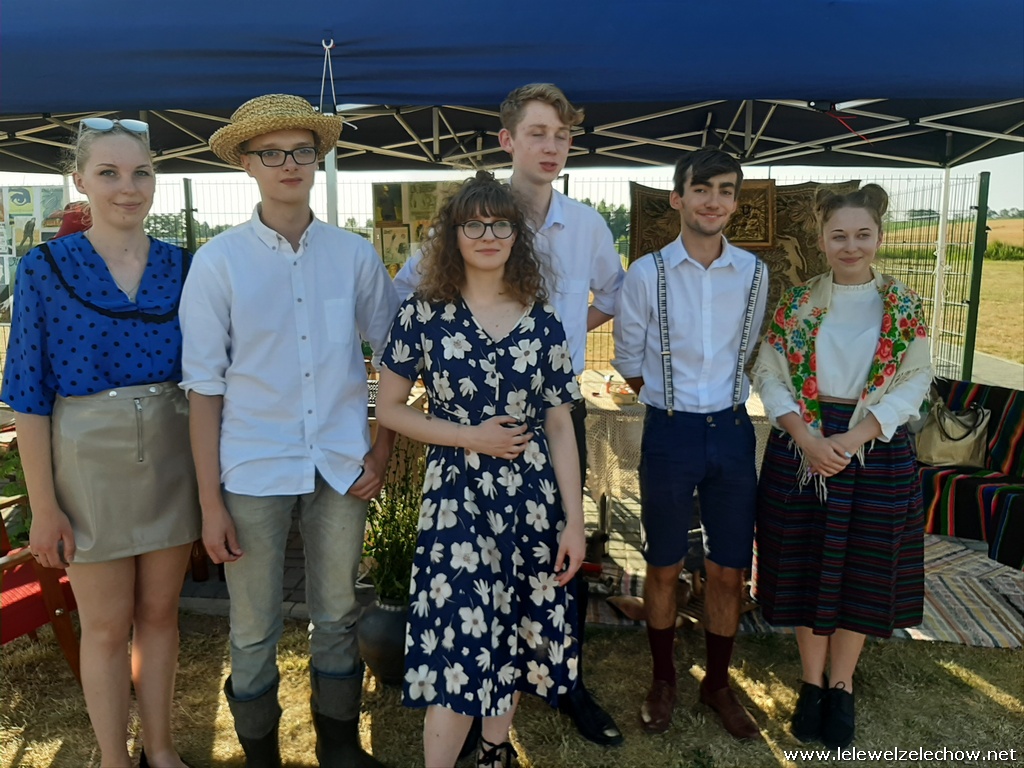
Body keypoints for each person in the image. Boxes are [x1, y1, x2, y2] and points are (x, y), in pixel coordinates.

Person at [394, 82, 625, 748]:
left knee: (538, 597)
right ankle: (465, 716)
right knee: (468, 614)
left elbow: (612, 295)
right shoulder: (439, 282)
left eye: (562, 135)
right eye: (538, 133)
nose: (551, 146)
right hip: (462, 466)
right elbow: (407, 304)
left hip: (543, 432)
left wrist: (553, 341)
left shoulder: (583, 231)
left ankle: (553, 698)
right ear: (509, 140)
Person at [179, 94, 400, 768]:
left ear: (318, 156)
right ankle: (262, 758)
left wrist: (382, 447)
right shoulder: (218, 262)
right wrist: (210, 503)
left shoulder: (353, 256)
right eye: (271, 152)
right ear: (246, 164)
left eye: (302, 149)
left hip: (340, 463)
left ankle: (339, 747)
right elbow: (203, 390)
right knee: (252, 628)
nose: (289, 163)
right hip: (252, 468)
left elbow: (395, 357)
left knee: (338, 614)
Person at [1, 117, 200, 767]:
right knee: (108, 625)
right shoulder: (43, 268)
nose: (127, 187)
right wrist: (45, 507)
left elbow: (207, 381)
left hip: (171, 461)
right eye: (108, 173)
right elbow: (28, 396)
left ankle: (161, 751)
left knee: (161, 615)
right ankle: (115, 759)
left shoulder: (184, 266)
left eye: (141, 172)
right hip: (86, 468)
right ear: (79, 180)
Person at [377, 170, 585, 768]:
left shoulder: (542, 319)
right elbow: (390, 409)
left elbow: (561, 424)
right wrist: (469, 436)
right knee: (460, 642)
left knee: (514, 632)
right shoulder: (423, 313)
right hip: (457, 499)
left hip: (531, 501)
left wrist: (574, 521)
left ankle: (496, 752)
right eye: (474, 225)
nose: (488, 236)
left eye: (500, 225)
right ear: (453, 235)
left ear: (517, 235)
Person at [751, 184, 931, 748]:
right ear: (822, 239)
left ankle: (842, 684)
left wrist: (853, 437)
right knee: (808, 567)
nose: (851, 246)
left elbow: (915, 380)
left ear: (879, 236)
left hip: (873, 445)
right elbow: (768, 373)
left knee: (860, 573)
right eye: (839, 236)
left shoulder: (904, 306)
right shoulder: (798, 303)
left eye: (862, 235)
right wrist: (805, 436)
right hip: (804, 448)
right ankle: (811, 682)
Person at [612, 148, 768, 740]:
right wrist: (670, 403)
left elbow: (747, 348)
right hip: (671, 430)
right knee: (663, 565)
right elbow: (629, 358)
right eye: (701, 189)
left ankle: (717, 684)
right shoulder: (645, 273)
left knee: (729, 571)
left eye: (725, 190)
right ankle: (663, 679)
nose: (713, 201)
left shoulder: (754, 273)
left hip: (731, 431)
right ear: (677, 198)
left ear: (735, 202)